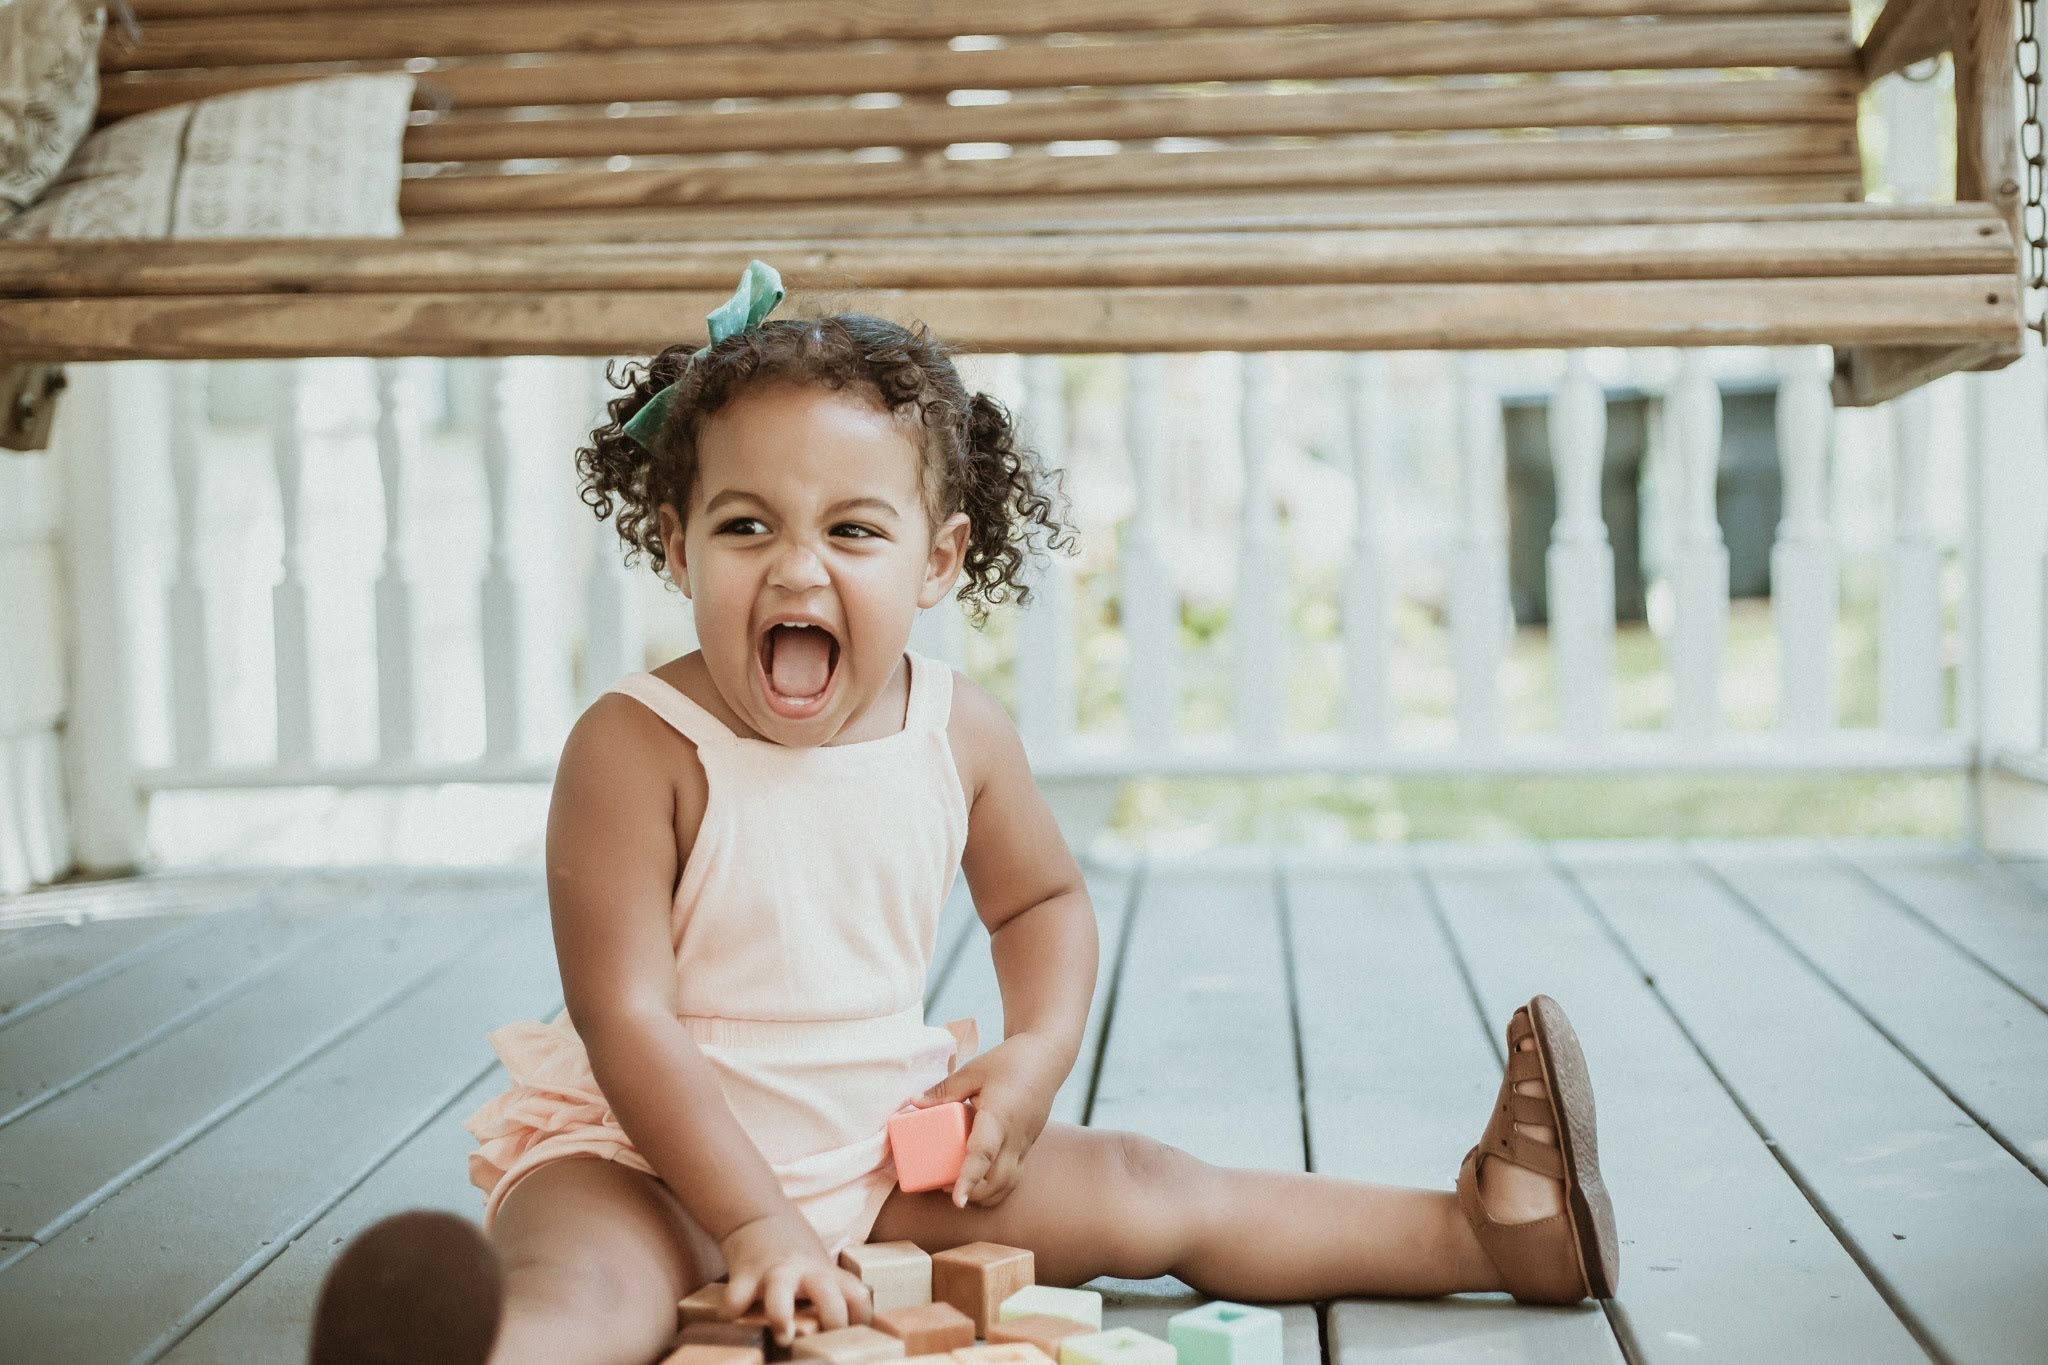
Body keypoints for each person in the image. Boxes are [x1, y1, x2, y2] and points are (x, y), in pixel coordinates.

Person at [308, 264, 1619, 1365]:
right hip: (650, 1165)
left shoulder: (958, 731)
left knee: (1153, 1186)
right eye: (746, 523)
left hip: (879, 1153)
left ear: (938, 559)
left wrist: (1037, 1052)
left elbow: (1040, 900)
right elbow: (625, 1016)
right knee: (600, 1289)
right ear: (675, 541)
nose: (797, 564)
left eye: (854, 530)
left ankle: (1487, 1231)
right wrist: (753, 1222)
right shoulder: (635, 747)